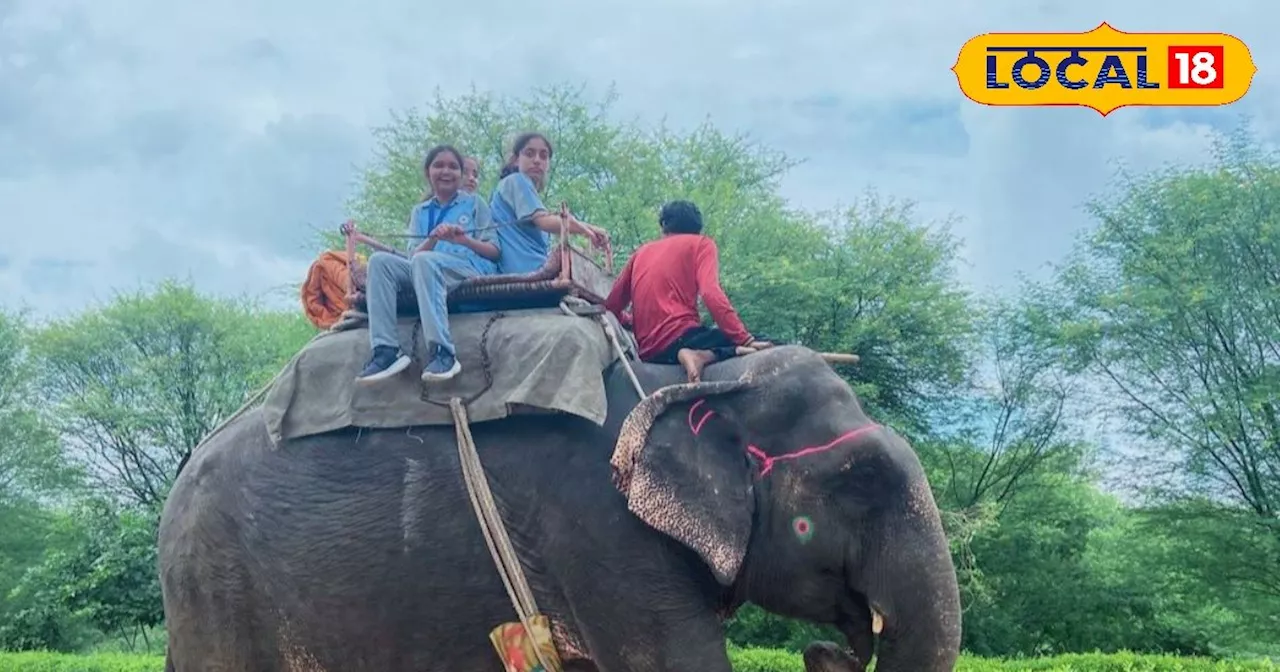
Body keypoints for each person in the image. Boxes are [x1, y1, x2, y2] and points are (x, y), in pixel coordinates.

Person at [356, 144, 500, 385]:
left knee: (424, 261)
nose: (446, 171)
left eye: (453, 167)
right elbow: (412, 258)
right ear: (428, 172)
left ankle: (443, 352)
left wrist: (463, 239)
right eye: (439, 165)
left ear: (461, 174)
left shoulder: (475, 204)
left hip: (468, 268)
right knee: (379, 261)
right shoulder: (419, 212)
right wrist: (433, 238)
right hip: (427, 267)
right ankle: (386, 350)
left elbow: (494, 252)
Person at [605, 200, 773, 383]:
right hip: (682, 339)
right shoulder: (701, 244)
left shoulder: (640, 253)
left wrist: (631, 321)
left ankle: (710, 353)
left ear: (664, 226)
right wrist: (745, 339)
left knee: (727, 340)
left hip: (648, 352)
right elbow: (711, 293)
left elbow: (611, 306)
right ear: (697, 227)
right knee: (769, 342)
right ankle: (702, 355)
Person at [488, 132, 609, 274]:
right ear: (516, 160)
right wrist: (586, 231)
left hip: (521, 269)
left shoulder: (513, 189)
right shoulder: (517, 181)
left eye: (543, 156)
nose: (537, 160)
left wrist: (589, 228)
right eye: (529, 153)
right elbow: (544, 222)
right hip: (525, 271)